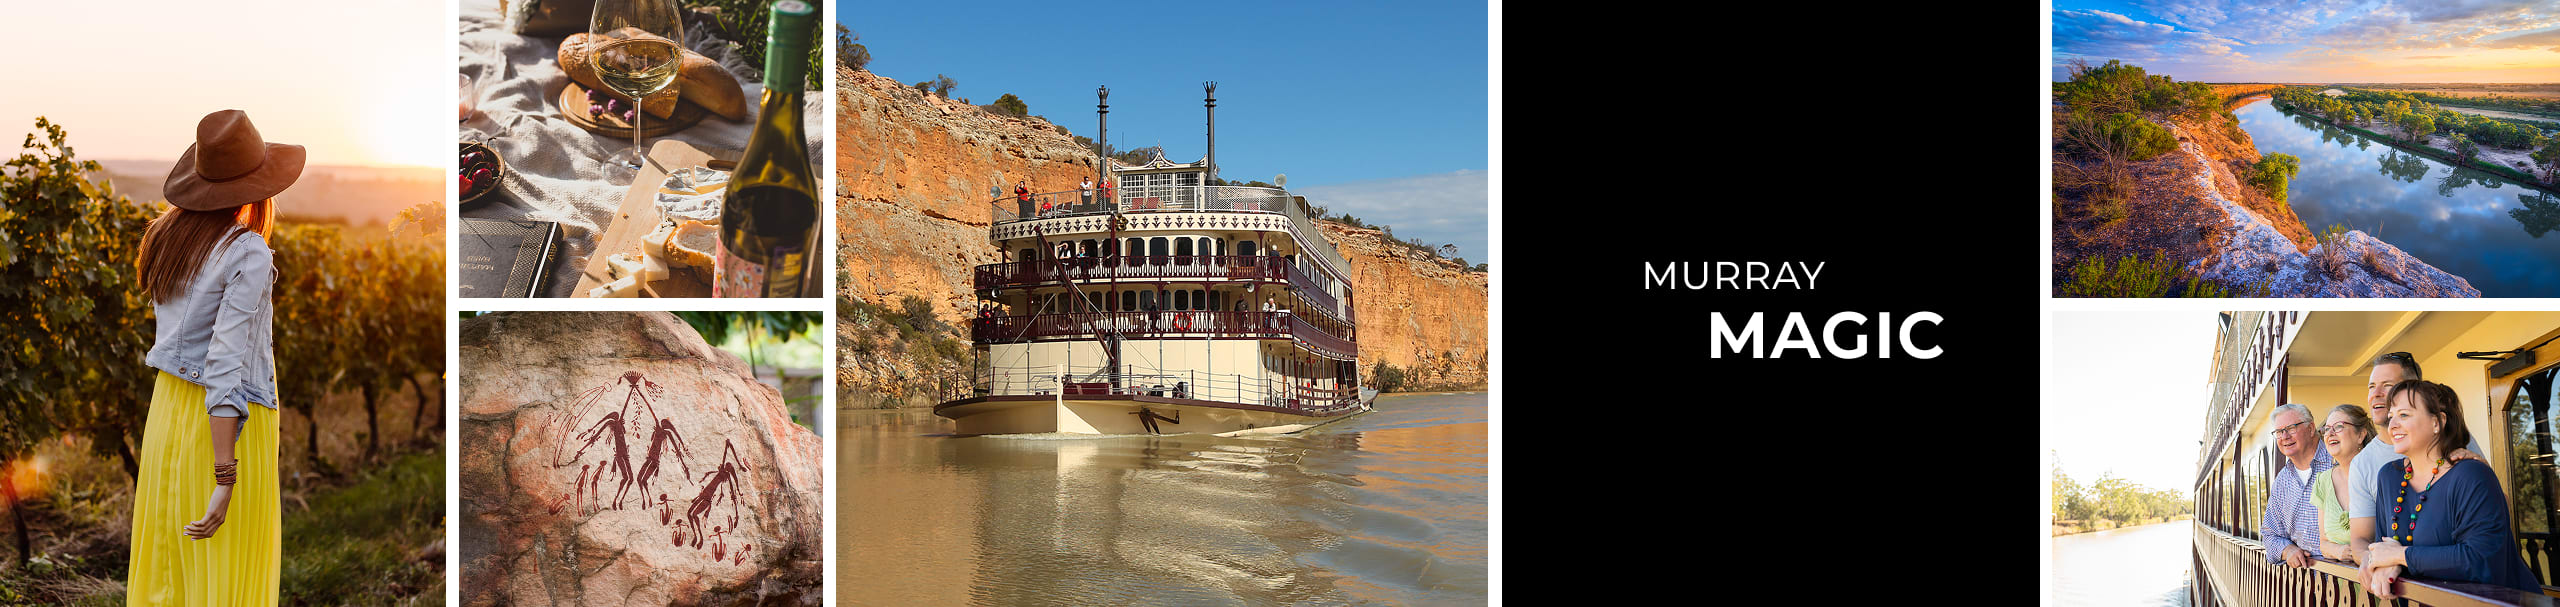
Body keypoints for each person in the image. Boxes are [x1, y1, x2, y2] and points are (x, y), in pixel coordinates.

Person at [128, 109, 295, 603]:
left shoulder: (166, 237)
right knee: (222, 568)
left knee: (170, 567)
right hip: (227, 422)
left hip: (168, 411)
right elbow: (225, 363)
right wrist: (226, 474)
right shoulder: (247, 250)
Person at [2359, 380, 2541, 598]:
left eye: (2404, 415)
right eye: (2391, 416)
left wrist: (2401, 556)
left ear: (2437, 422)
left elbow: (2481, 560)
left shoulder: (2471, 475)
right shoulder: (2389, 477)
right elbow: (2382, 547)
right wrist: (2382, 564)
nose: (2392, 425)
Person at [2348, 352, 2485, 569]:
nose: (2376, 394)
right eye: (2371, 386)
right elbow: (2365, 540)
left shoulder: (2461, 457)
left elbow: (2487, 534)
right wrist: (2379, 564)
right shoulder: (2382, 472)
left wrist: (2480, 472)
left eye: (2387, 385)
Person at [2260, 403, 2332, 569]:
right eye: (2279, 432)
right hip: (2304, 581)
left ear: (2311, 428)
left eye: (2291, 428)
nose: (2284, 436)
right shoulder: (2282, 481)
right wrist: (2287, 550)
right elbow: (2270, 534)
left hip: (2348, 579)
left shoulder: (2337, 462)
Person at [2313, 404, 2377, 563]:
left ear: (2360, 435)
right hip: (2339, 577)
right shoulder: (2323, 481)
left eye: (2338, 426)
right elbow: (2323, 543)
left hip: (2377, 573)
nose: (2330, 434)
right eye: (2326, 429)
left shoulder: (2380, 475)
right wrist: (2337, 550)